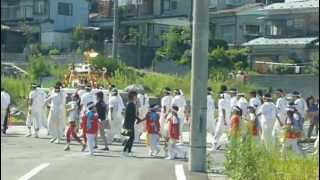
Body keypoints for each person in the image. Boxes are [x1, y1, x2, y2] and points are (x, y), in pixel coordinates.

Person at [122, 91, 139, 156]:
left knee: (131, 137)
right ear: (133, 96)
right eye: (136, 96)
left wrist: (137, 119)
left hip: (130, 122)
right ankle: (126, 151)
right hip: (129, 123)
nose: (136, 97)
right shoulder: (131, 104)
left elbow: (132, 114)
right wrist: (137, 119)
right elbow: (130, 115)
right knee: (131, 137)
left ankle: (128, 151)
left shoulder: (131, 103)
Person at [160, 87, 173, 156]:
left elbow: (164, 107)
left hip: (164, 114)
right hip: (170, 114)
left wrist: (165, 114)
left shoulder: (164, 98)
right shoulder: (172, 98)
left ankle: (165, 141)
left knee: (162, 127)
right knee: (168, 128)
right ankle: (167, 140)